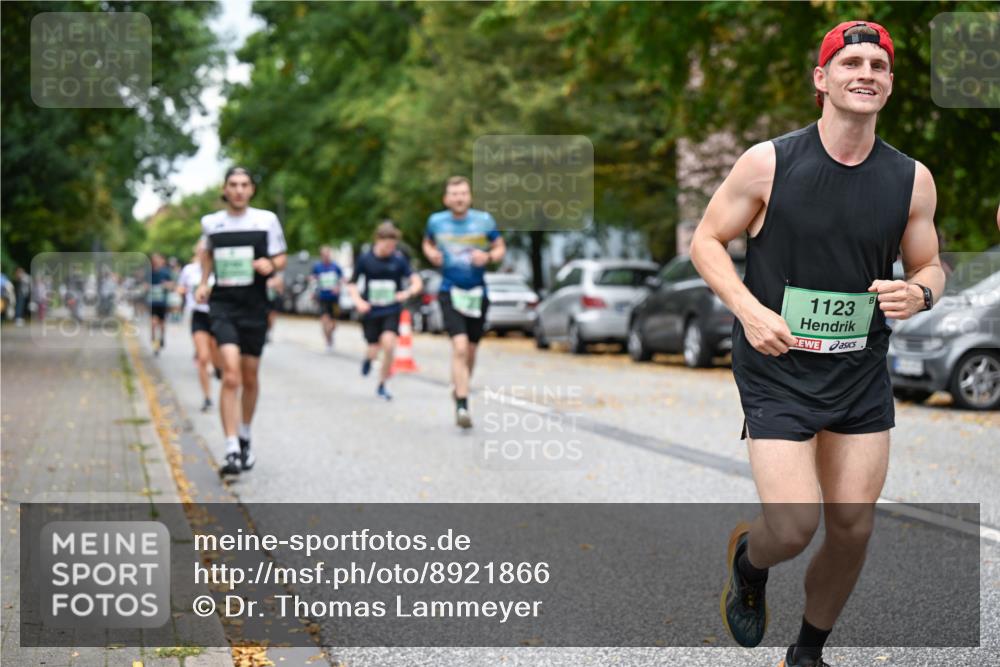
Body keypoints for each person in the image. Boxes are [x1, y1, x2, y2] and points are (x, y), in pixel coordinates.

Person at [690, 21, 945, 667]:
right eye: (852, 61)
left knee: (854, 525)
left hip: (859, 370)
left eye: (879, 65)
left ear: (889, 83)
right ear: (822, 78)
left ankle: (806, 653)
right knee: (795, 525)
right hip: (777, 368)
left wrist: (920, 294)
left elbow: (930, 264)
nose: (866, 73)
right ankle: (751, 561)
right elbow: (706, 242)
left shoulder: (911, 179)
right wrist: (749, 310)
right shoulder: (769, 162)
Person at [196, 166, 287, 477]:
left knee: (249, 377)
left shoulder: (266, 220)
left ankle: (245, 432)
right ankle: (232, 447)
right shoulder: (211, 223)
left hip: (255, 306)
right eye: (232, 184)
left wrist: (269, 264)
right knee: (231, 375)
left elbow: (281, 257)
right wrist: (203, 282)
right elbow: (206, 254)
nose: (238, 190)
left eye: (244, 185)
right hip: (223, 305)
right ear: (225, 189)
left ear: (251, 190)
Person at [422, 176, 506, 428]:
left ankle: (460, 385)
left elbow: (500, 247)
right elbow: (427, 242)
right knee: (459, 347)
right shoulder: (436, 221)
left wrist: (489, 256)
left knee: (470, 351)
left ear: (469, 196)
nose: (459, 198)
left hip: (477, 292)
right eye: (454, 194)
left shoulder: (484, 220)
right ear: (446, 199)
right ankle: (462, 404)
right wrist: (432, 254)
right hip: (450, 291)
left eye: (463, 193)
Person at [348, 221, 423, 401]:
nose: (390, 249)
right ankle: (368, 359)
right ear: (378, 240)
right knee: (373, 348)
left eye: (393, 245)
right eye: (387, 245)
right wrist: (358, 301)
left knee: (389, 344)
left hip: (391, 309)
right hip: (371, 310)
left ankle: (382, 384)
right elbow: (351, 283)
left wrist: (407, 292)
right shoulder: (366, 259)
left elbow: (416, 282)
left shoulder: (398, 260)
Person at [177, 240, 220, 413]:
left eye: (207, 250)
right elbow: (181, 287)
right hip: (199, 316)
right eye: (202, 250)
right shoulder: (189, 270)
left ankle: (217, 368)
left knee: (217, 358)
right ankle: (207, 397)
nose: (204, 253)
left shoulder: (219, 270)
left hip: (217, 316)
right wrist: (184, 291)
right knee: (203, 357)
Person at [311, 245, 344, 351]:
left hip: (334, 298)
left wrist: (338, 287)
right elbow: (313, 279)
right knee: (324, 320)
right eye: (324, 254)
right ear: (321, 256)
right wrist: (313, 290)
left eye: (327, 254)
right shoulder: (317, 267)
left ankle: (330, 336)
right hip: (322, 297)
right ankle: (328, 341)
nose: (326, 256)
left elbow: (342, 279)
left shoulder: (336, 266)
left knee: (333, 324)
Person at [149, 253, 173, 356]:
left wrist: (166, 285)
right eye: (154, 259)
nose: (156, 261)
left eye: (157, 259)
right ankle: (155, 342)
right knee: (153, 323)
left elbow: (171, 285)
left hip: (162, 302)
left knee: (162, 323)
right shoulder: (149, 272)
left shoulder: (165, 272)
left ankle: (162, 337)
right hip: (152, 302)